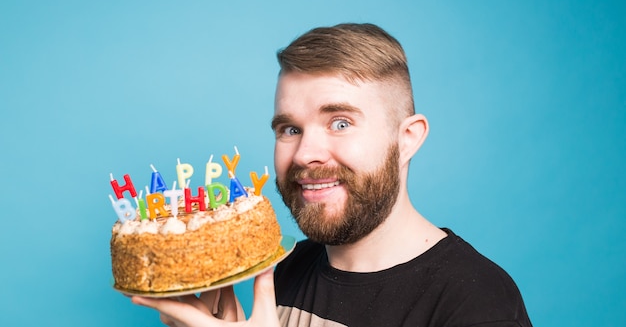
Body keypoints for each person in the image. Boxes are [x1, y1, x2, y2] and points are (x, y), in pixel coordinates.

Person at [132, 23, 533, 326]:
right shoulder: (284, 269)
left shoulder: (478, 304)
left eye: (340, 123)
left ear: (407, 139)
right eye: (290, 129)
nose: (306, 154)